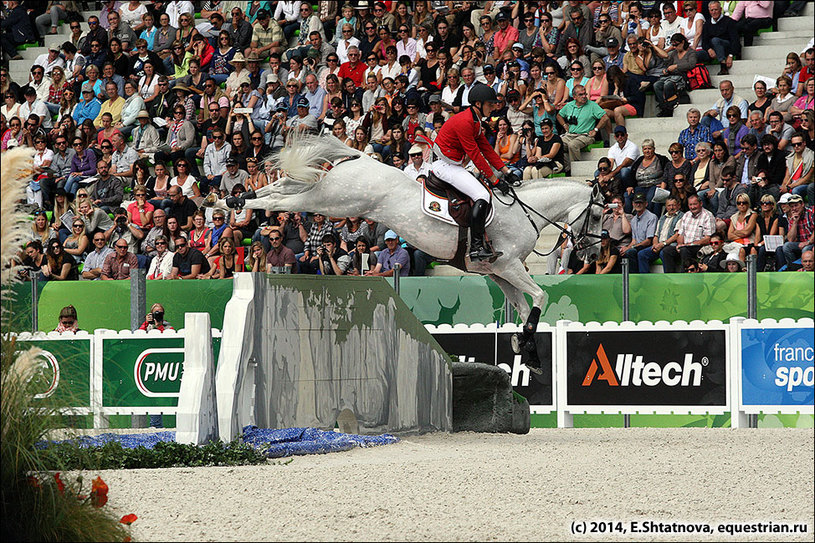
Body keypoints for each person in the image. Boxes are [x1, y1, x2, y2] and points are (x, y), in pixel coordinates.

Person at [431, 83, 519, 261]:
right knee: (482, 195)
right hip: (445, 165)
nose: (494, 107)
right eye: (490, 104)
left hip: (454, 163)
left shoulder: (475, 121)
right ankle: (476, 247)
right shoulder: (465, 122)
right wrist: (495, 180)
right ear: (478, 104)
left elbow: (486, 149)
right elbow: (475, 155)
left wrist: (506, 170)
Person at [556, 85, 609, 173]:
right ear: (574, 97)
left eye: (585, 94)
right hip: (570, 134)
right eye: (581, 95)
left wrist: (595, 130)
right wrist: (565, 125)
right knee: (557, 142)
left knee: (573, 145)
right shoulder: (569, 105)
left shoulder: (592, 105)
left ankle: (576, 169)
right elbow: (559, 115)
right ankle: (565, 167)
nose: (584, 96)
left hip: (585, 135)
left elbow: (605, 117)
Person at [661, 193, 716, 273]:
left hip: (699, 246)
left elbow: (708, 239)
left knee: (684, 250)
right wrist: (680, 244)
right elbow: (681, 234)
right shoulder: (686, 215)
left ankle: (684, 277)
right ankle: (670, 278)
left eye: (695, 204)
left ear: (701, 203)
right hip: (685, 246)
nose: (693, 207)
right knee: (667, 250)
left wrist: (688, 245)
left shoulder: (708, 216)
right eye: (690, 204)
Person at [618, 193, 658, 273]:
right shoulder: (634, 220)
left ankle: (636, 277)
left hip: (648, 247)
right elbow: (634, 240)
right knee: (620, 252)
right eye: (636, 203)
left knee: (632, 252)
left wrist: (630, 248)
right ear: (633, 204)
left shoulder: (652, 217)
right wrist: (626, 248)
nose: (638, 204)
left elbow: (648, 241)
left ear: (646, 204)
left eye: (641, 202)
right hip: (637, 246)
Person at [777, 194, 814, 271]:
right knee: (786, 246)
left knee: (806, 249)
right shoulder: (792, 217)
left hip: (811, 242)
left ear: (802, 204)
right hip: (800, 243)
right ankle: (794, 267)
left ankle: (805, 268)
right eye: (792, 206)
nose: (794, 208)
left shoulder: (811, 212)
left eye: (796, 205)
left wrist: (808, 242)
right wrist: (795, 222)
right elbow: (790, 239)